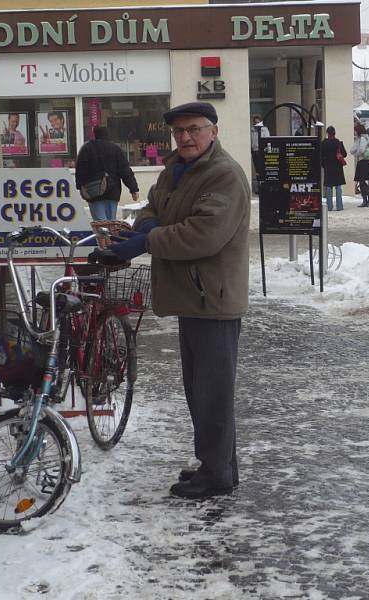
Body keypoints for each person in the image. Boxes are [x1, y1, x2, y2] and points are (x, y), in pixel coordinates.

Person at [108, 101, 250, 500]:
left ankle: (217, 474)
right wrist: (149, 223)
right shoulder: (176, 169)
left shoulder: (223, 175)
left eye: (194, 129)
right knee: (199, 389)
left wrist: (149, 238)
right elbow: (153, 206)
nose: (185, 137)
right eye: (179, 131)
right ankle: (219, 465)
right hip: (192, 295)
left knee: (213, 392)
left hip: (213, 298)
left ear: (213, 131)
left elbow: (204, 234)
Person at [75, 125, 140, 221]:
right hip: (112, 191)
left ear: (95, 134)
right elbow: (125, 171)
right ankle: (110, 235)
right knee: (111, 222)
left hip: (93, 191)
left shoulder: (87, 148)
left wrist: (80, 186)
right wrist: (133, 188)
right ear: (107, 135)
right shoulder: (115, 149)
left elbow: (80, 169)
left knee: (100, 223)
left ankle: (105, 235)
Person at [320, 125, 347, 211]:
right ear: (334, 133)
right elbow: (344, 154)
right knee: (338, 187)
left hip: (328, 168)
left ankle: (329, 206)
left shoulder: (323, 144)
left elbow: (320, 155)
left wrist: (323, 164)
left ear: (327, 133)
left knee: (329, 187)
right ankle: (339, 206)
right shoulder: (338, 143)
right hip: (338, 168)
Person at [351, 123, 369, 207]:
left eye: (355, 131)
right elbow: (352, 150)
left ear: (358, 131)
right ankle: (366, 199)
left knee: (362, 182)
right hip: (364, 162)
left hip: (364, 162)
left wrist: (357, 153)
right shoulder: (360, 139)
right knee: (361, 182)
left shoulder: (362, 139)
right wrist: (356, 150)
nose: (354, 133)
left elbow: (360, 150)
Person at [250, 114, 270, 194]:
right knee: (258, 171)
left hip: (263, 151)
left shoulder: (264, 130)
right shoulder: (252, 130)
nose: (256, 125)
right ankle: (259, 187)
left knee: (264, 169)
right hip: (255, 151)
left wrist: (268, 151)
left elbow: (268, 140)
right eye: (255, 123)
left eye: (258, 123)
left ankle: (265, 187)